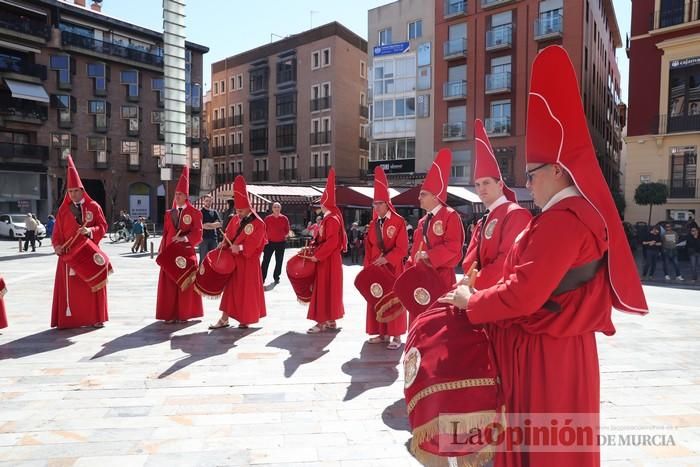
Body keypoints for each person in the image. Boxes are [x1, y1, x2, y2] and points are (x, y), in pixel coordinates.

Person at [439, 46, 649, 467]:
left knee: (549, 449)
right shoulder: (561, 216)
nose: (528, 185)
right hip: (551, 348)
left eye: (532, 175)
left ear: (557, 170)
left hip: (547, 355)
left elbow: (525, 293)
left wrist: (472, 301)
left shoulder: (563, 220)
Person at [462, 119, 532, 289]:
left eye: (486, 183)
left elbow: (507, 261)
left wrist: (474, 280)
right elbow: (470, 260)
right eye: (477, 184)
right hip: (479, 292)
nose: (481, 189)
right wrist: (469, 279)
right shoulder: (482, 221)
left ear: (500, 185)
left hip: (500, 295)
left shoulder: (515, 214)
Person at [405, 148, 465, 324]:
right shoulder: (424, 220)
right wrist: (409, 270)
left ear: (436, 196)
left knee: (438, 321)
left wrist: (428, 256)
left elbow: (454, 247)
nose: (419, 198)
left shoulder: (450, 215)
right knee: (419, 317)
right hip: (421, 278)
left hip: (441, 279)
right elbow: (416, 249)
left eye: (423, 194)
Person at [51, 156, 109, 329]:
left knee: (92, 285)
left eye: (76, 191)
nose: (73, 195)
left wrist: (90, 231)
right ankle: (70, 320)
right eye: (70, 192)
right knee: (73, 290)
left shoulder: (94, 207)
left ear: (82, 190)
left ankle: (95, 318)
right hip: (69, 256)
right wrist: (57, 246)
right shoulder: (63, 211)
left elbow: (103, 226)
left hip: (89, 253)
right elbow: (56, 234)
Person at [210, 176, 267, 329]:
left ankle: (245, 318)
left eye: (241, 210)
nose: (238, 213)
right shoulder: (235, 219)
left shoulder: (258, 223)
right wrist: (223, 244)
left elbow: (255, 245)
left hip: (248, 263)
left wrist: (240, 248)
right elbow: (228, 234)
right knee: (230, 290)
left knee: (246, 291)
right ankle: (224, 319)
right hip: (234, 260)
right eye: (237, 210)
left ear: (249, 207)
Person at [363, 166, 409, 349]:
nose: (376, 207)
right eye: (374, 204)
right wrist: (368, 266)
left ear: (387, 204)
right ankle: (381, 334)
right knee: (376, 298)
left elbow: (402, 248)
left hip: (393, 268)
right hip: (376, 268)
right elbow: (369, 247)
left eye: (379, 204)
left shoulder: (398, 222)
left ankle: (396, 336)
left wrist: (387, 259)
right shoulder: (373, 223)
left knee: (394, 300)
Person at [155, 166, 204, 323]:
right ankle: (169, 314)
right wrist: (162, 248)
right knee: (169, 284)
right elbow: (165, 233)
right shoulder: (170, 214)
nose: (177, 197)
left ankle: (185, 314)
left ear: (186, 196)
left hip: (185, 252)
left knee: (186, 284)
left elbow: (198, 232)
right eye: (176, 194)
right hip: (169, 252)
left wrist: (184, 239)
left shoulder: (195, 213)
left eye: (180, 194)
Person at [306, 168, 347, 333]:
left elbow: (332, 241)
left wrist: (317, 255)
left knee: (323, 289)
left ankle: (321, 321)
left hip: (327, 259)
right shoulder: (332, 218)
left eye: (322, 204)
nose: (320, 206)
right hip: (331, 259)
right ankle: (331, 320)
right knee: (331, 289)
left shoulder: (331, 219)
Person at [261, 202, 290, 285]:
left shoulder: (284, 218)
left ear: (280, 208)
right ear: (272, 209)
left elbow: (287, 230)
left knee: (279, 261)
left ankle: (276, 277)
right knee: (266, 260)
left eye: (278, 207)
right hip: (269, 243)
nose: (276, 208)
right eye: (275, 207)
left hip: (281, 242)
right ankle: (262, 277)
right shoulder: (267, 218)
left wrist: (284, 235)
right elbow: (263, 230)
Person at [199, 194, 222, 264]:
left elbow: (220, 224)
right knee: (203, 259)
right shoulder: (200, 212)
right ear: (203, 201)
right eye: (206, 201)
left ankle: (211, 274)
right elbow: (201, 225)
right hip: (203, 239)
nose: (208, 202)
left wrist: (208, 225)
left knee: (213, 258)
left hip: (213, 238)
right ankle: (201, 274)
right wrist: (213, 225)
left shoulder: (214, 212)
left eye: (209, 201)